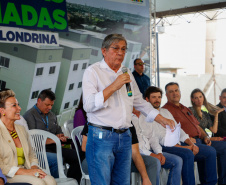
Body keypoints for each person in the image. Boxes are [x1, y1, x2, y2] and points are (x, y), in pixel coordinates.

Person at [82, 34, 175, 185]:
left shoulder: (126, 72)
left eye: (124, 49)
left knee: (122, 182)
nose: (120, 52)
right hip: (101, 137)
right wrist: (114, 86)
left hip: (124, 137)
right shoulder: (93, 72)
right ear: (103, 51)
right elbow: (89, 105)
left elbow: (139, 101)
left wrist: (161, 119)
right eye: (116, 48)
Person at [73, 98, 158, 185]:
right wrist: (109, 155)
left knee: (152, 162)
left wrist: (145, 178)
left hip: (119, 157)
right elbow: (84, 147)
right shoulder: (95, 118)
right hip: (94, 158)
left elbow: (135, 152)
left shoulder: (127, 123)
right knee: (110, 163)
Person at [134, 86, 199, 185]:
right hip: (158, 147)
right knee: (182, 156)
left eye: (159, 97)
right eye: (154, 97)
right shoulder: (138, 118)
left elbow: (153, 137)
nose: (157, 100)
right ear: (146, 100)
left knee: (208, 150)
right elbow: (156, 140)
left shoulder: (164, 112)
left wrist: (159, 153)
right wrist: (155, 154)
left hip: (159, 147)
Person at [162, 82, 217, 185]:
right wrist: (188, 138)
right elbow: (172, 132)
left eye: (176, 90)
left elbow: (197, 126)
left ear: (180, 92)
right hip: (185, 142)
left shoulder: (185, 108)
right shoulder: (166, 110)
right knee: (210, 152)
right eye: (171, 91)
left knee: (216, 148)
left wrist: (205, 136)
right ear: (166, 95)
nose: (175, 93)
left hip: (199, 140)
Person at [23, 90, 81, 182]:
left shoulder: (52, 115)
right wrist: (53, 140)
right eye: (47, 105)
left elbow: (58, 130)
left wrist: (61, 137)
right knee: (60, 159)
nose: (50, 107)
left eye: (51, 105)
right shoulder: (29, 115)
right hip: (40, 148)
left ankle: (71, 181)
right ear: (39, 101)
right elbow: (32, 139)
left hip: (54, 146)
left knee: (78, 156)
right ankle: (56, 181)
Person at [0, 89, 56, 185]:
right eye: (14, 105)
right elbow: (1, 166)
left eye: (18, 104)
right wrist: (25, 172)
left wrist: (34, 168)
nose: (19, 108)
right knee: (39, 183)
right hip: (9, 175)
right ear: (2, 110)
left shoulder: (21, 129)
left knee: (51, 181)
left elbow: (32, 155)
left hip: (27, 170)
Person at [190, 88, 226, 185]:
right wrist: (208, 137)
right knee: (209, 151)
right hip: (195, 140)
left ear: (203, 98)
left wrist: (217, 115)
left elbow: (213, 130)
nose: (199, 100)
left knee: (224, 147)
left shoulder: (205, 114)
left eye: (200, 97)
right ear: (192, 99)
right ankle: (209, 182)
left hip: (204, 140)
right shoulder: (190, 111)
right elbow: (196, 126)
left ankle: (222, 181)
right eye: (196, 98)